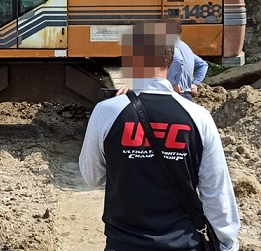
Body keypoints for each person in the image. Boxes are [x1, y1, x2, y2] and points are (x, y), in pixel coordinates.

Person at [79, 21, 240, 251]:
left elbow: (92, 177)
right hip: (184, 244)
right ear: (170, 59)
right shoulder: (199, 117)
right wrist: (227, 244)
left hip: (124, 244)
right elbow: (216, 191)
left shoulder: (107, 112)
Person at [167, 25, 209, 100]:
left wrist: (174, 83)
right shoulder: (186, 48)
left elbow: (177, 61)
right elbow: (203, 65)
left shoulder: (169, 46)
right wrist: (195, 83)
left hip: (173, 93)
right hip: (186, 93)